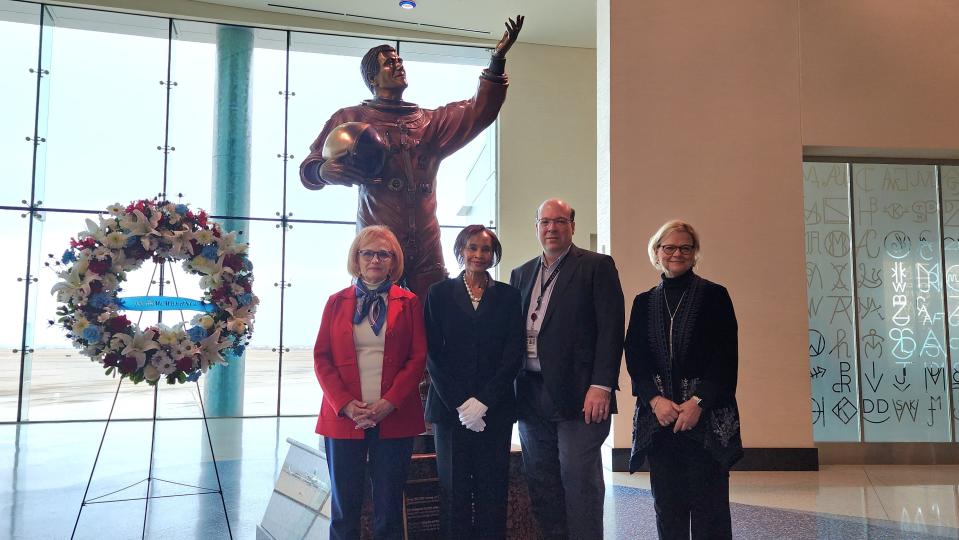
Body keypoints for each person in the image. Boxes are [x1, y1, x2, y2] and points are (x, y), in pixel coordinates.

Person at [299, 16, 524, 299]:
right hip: (379, 244)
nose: (398, 65)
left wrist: (496, 62)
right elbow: (309, 168)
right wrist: (323, 171)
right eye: (389, 63)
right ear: (372, 78)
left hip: (427, 244)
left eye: (400, 61)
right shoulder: (352, 118)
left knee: (432, 318)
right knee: (376, 318)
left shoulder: (428, 123)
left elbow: (479, 111)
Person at [509, 198, 625, 539]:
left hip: (581, 395)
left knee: (578, 479)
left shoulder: (596, 266)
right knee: (541, 479)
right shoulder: (522, 273)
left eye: (559, 221)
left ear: (572, 225)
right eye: (545, 222)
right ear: (536, 228)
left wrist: (602, 385)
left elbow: (611, 328)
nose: (552, 228)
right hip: (531, 394)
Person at [624, 220, 742, 540]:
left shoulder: (716, 296)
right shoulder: (643, 302)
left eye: (685, 248)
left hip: (705, 420)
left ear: (694, 254)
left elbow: (725, 357)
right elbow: (635, 359)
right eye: (669, 247)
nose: (677, 253)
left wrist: (698, 403)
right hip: (660, 421)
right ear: (657, 253)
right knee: (668, 507)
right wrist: (655, 400)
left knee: (710, 511)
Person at [312, 225, 427, 540]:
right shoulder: (335, 302)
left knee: (389, 510)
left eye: (383, 254)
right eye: (368, 253)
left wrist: (387, 404)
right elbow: (322, 357)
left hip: (394, 417)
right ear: (357, 258)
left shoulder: (410, 302)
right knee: (344, 509)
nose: (375, 259)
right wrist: (347, 405)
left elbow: (417, 359)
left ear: (393, 261)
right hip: (344, 418)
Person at [423, 225, 524, 539]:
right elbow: (432, 355)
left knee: (492, 489)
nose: (479, 255)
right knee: (453, 491)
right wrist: (462, 404)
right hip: (449, 411)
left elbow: (514, 352)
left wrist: (483, 402)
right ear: (460, 250)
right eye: (472, 247)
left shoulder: (508, 295)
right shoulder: (438, 294)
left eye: (485, 249)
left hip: (495, 409)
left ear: (494, 254)